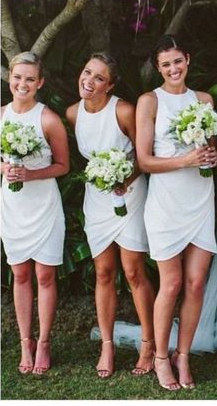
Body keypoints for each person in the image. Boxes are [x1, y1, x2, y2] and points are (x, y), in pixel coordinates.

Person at [135, 35, 217, 391]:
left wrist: (210, 157)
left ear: (188, 59)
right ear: (159, 67)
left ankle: (183, 355)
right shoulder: (149, 101)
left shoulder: (204, 100)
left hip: (200, 199)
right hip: (166, 203)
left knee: (196, 283)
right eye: (166, 64)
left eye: (178, 61)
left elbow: (211, 148)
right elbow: (144, 160)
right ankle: (159, 357)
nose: (173, 69)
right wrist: (185, 159)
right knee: (170, 283)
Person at [66, 52, 155, 379]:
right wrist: (104, 178)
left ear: (111, 84)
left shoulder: (124, 110)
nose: (89, 81)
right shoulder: (73, 114)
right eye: (87, 72)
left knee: (133, 272)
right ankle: (107, 345)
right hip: (98, 199)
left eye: (99, 77)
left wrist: (124, 177)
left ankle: (149, 343)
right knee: (103, 272)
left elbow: (145, 153)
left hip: (130, 195)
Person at [1, 51, 69, 374]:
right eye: (17, 77)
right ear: (10, 79)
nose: (22, 84)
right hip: (12, 207)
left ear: (40, 82)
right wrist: (5, 167)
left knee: (44, 275)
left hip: (44, 206)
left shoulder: (49, 119)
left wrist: (30, 174)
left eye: (30, 78)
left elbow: (63, 166)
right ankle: (25, 341)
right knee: (20, 274)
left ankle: (44, 342)